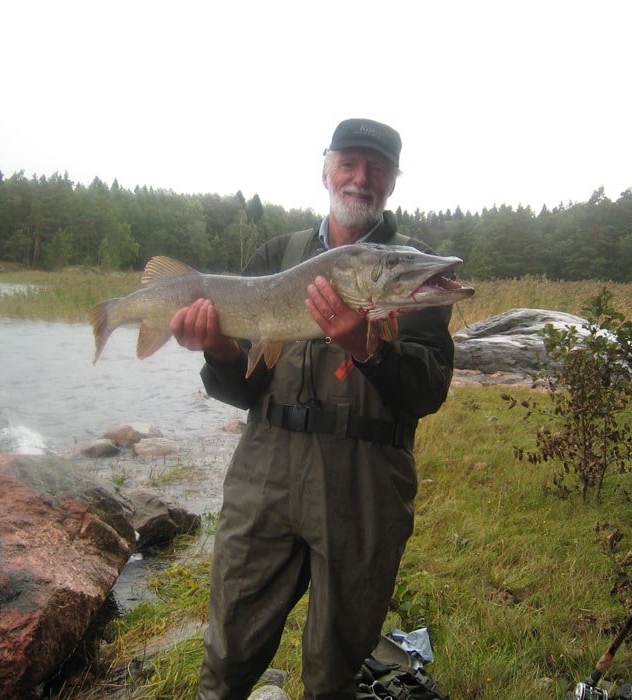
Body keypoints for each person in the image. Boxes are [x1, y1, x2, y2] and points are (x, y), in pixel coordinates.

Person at [170, 118, 455, 699]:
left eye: (376, 168)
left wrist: (364, 345)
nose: (361, 178)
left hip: (365, 479)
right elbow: (241, 388)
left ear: (393, 182)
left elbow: (426, 392)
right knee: (227, 656)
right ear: (326, 170)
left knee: (333, 670)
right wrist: (221, 350)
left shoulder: (411, 271)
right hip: (266, 469)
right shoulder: (280, 255)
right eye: (349, 164)